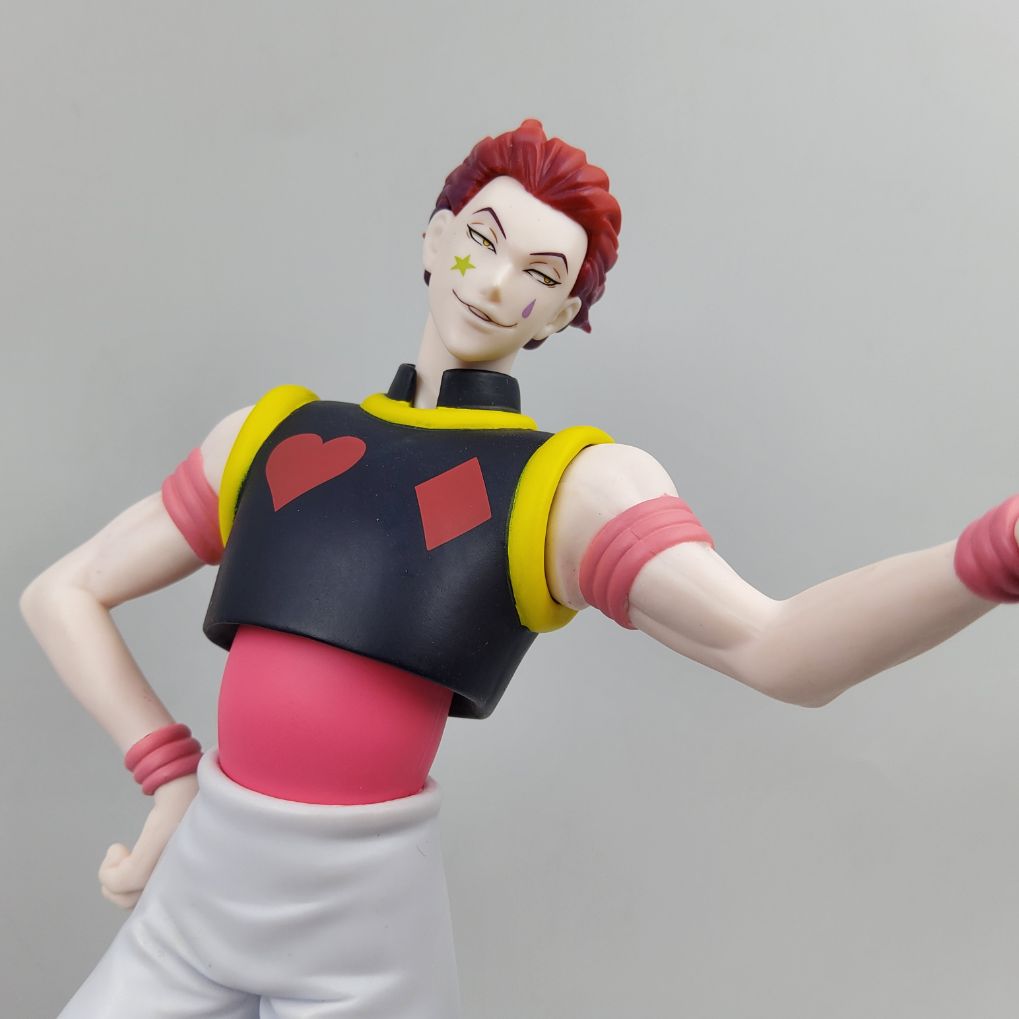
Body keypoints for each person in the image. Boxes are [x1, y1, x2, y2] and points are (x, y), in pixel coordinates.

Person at [20, 119, 1019, 1018]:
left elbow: (775, 648)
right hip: (199, 885)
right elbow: (62, 591)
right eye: (482, 241)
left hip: (357, 925)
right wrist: (169, 775)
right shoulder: (270, 435)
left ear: (557, 316)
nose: (496, 285)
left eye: (539, 274)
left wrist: (988, 555)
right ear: (433, 238)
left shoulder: (563, 488)